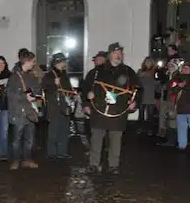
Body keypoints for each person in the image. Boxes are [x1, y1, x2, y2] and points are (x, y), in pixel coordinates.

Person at [83, 43, 139, 174]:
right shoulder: (97, 71)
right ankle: (93, 164)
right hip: (99, 110)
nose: (119, 55)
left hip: (118, 111)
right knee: (96, 138)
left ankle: (113, 165)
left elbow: (137, 90)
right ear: (109, 55)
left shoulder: (128, 72)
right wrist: (86, 101)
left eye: (120, 53)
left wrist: (135, 102)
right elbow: (86, 87)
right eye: (116, 53)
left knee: (116, 139)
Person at [7, 49, 41, 170]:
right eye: (32, 61)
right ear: (27, 61)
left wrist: (37, 96)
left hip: (30, 112)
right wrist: (24, 96)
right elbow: (10, 94)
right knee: (16, 140)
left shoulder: (31, 77)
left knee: (30, 139)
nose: (34, 64)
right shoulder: (14, 77)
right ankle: (16, 160)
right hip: (18, 113)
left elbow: (37, 91)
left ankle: (27, 160)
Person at [42, 52, 73, 159]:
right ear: (57, 63)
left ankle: (62, 152)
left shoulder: (64, 75)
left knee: (64, 130)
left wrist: (72, 95)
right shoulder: (49, 75)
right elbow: (43, 87)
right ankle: (52, 153)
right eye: (63, 61)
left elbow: (68, 89)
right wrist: (53, 83)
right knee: (53, 131)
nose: (65, 63)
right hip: (54, 106)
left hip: (64, 106)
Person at [172, 62, 190, 150]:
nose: (185, 69)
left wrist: (187, 85)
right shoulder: (177, 79)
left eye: (187, 68)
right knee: (181, 128)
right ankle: (182, 145)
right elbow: (171, 91)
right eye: (184, 68)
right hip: (181, 108)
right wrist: (179, 86)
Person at [137, 56, 158, 136]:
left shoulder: (155, 72)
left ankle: (150, 130)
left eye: (149, 62)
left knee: (150, 115)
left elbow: (157, 83)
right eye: (146, 61)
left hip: (151, 95)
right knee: (141, 114)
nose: (148, 63)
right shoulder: (140, 71)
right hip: (142, 95)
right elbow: (137, 80)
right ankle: (140, 128)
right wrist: (143, 74)